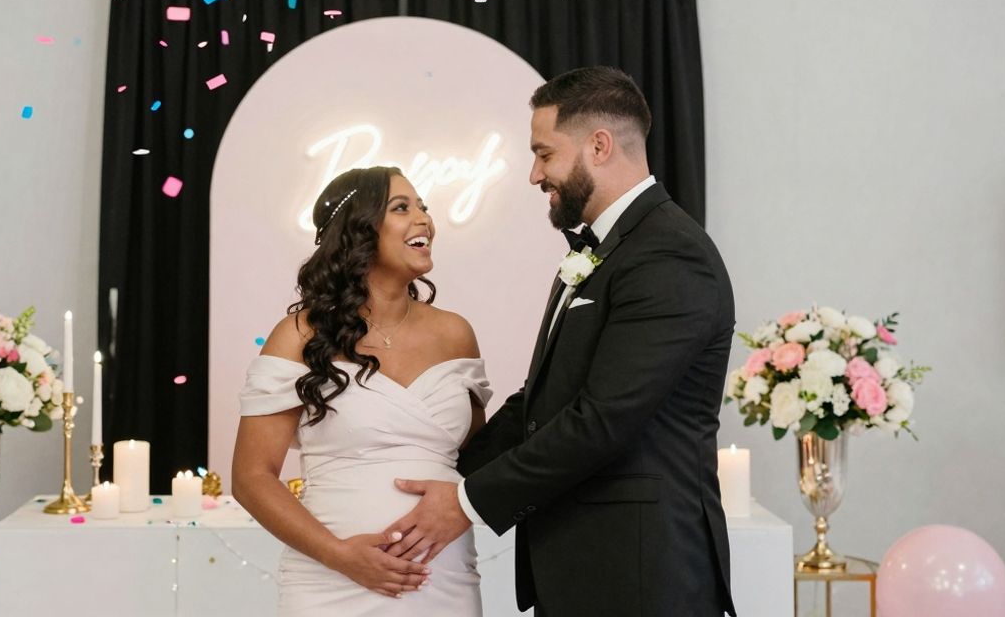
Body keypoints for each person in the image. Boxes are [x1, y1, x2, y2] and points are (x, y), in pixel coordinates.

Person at [382, 66, 738, 615]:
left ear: (598, 145)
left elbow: (602, 421)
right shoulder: (605, 250)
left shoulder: (670, 255)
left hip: (640, 573)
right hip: (585, 566)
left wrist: (465, 501)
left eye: (544, 154)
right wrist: (443, 467)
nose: (534, 175)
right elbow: (542, 401)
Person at [232, 165, 492, 616]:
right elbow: (251, 477)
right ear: (358, 229)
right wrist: (341, 556)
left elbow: (478, 457)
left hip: (441, 581)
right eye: (401, 207)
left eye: (424, 207)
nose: (424, 219)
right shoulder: (298, 335)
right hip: (330, 582)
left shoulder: (455, 334)